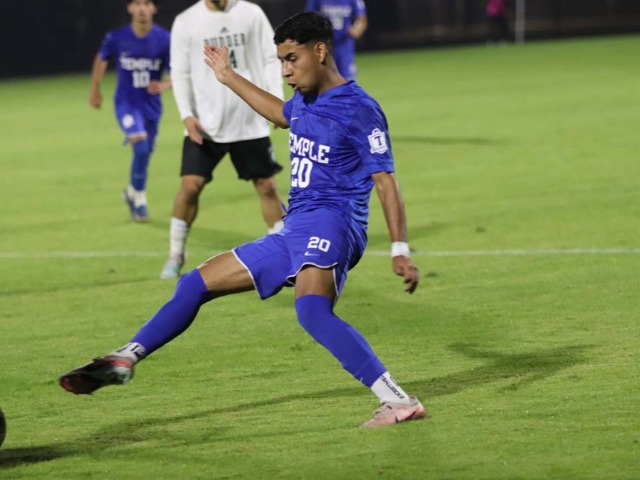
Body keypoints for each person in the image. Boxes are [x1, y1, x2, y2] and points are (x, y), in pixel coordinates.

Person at [59, 12, 425, 428]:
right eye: (281, 61)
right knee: (195, 283)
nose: (285, 71)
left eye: (292, 59)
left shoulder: (359, 108)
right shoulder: (305, 101)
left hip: (333, 223)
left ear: (321, 51)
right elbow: (282, 115)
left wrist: (399, 249)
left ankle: (398, 399)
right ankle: (126, 357)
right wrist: (227, 76)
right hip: (295, 228)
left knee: (312, 312)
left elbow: (385, 179)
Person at [160, 0, 286, 279]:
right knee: (190, 186)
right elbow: (180, 72)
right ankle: (176, 253)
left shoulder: (251, 13)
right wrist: (186, 114)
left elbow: (270, 58)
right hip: (205, 123)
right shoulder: (186, 21)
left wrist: (275, 101)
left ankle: (283, 253)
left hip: (249, 118)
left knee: (267, 186)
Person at [90, 0, 171, 222]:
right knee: (141, 147)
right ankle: (140, 200)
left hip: (151, 106)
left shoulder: (165, 39)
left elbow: (176, 71)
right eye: (137, 3)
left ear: (154, 8)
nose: (142, 8)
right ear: (130, 8)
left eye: (146, 3)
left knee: (145, 152)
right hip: (126, 104)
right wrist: (95, 88)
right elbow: (101, 59)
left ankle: (131, 191)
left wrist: (164, 85)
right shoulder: (117, 37)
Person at [306, 0, 367, 81]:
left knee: (346, 79)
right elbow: (309, 18)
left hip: (344, 44)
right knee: (324, 79)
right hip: (324, 44)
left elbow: (361, 19)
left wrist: (356, 30)